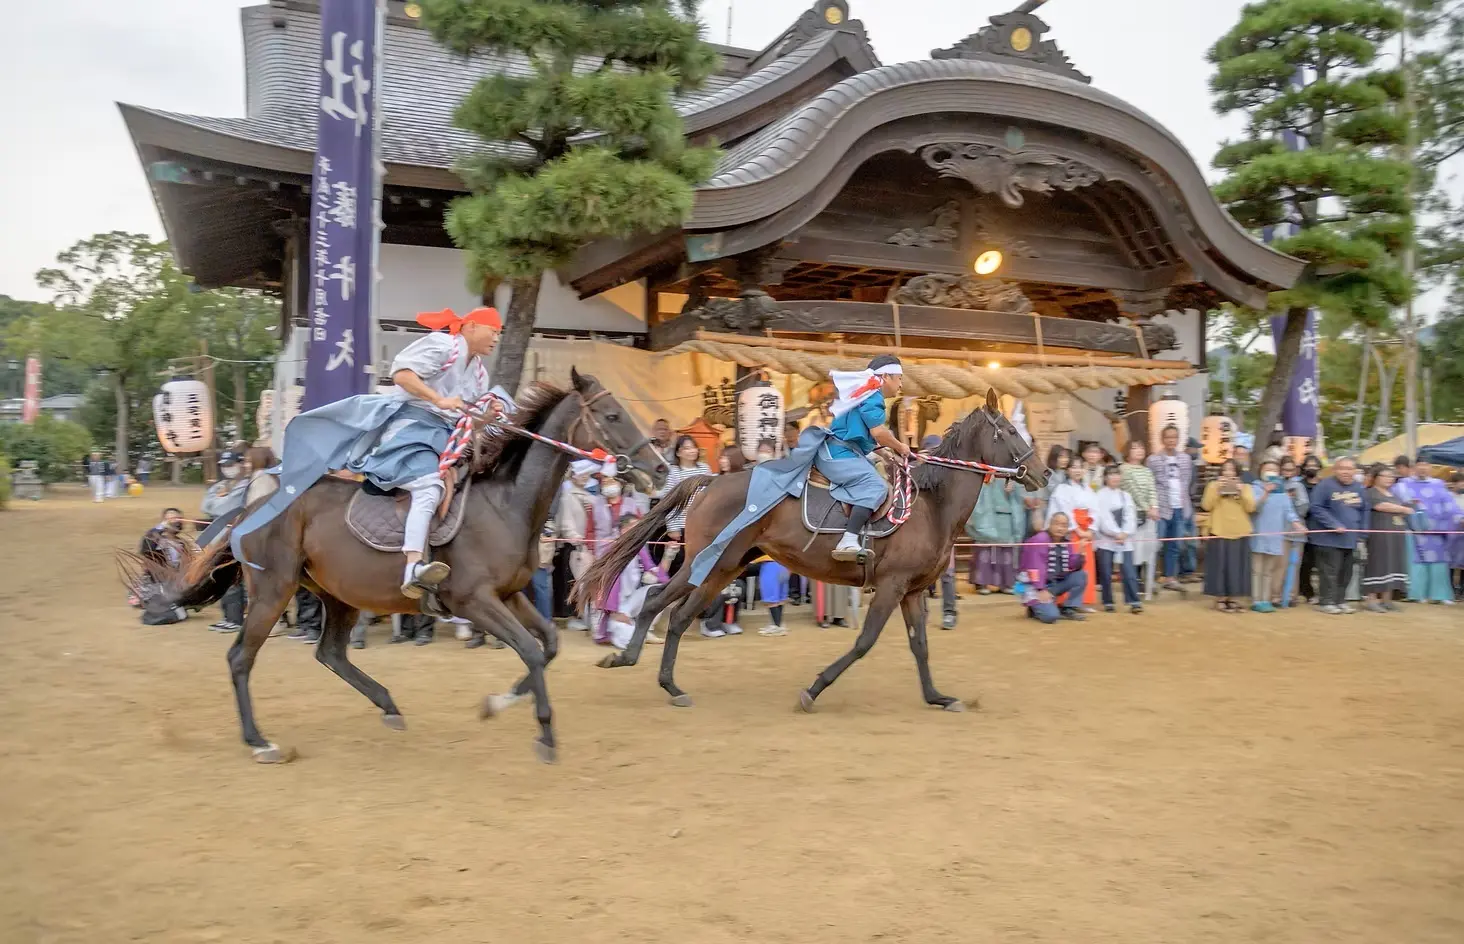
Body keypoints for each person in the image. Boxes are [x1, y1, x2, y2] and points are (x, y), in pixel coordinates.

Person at [229, 306, 507, 600]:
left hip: (446, 439)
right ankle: (413, 566)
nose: (496, 339)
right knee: (428, 487)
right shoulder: (443, 345)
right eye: (494, 331)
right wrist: (438, 399)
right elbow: (402, 375)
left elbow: (464, 415)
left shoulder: (479, 373)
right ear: (472, 326)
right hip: (411, 428)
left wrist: (486, 418)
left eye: (499, 334)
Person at [686, 355, 908, 584]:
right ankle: (849, 539)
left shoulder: (865, 392)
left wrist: (882, 451)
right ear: (886, 376)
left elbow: (861, 434)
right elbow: (878, 432)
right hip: (838, 454)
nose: (901, 384)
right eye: (899, 378)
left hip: (842, 451)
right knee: (876, 486)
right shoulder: (874, 396)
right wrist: (902, 447)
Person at [1395, 459, 1462, 605]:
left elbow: (1449, 504)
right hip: (1414, 530)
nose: (1423, 468)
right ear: (1414, 467)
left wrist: (1459, 517)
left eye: (1426, 465)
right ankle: (1416, 594)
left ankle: (1441, 595)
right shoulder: (1403, 485)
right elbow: (1401, 503)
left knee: (1439, 562)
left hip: (1437, 530)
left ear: (1430, 468)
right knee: (1416, 562)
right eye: (1420, 465)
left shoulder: (1438, 484)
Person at [1307, 457, 1368, 615]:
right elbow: (1316, 507)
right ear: (1335, 470)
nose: (1346, 472)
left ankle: (1340, 600)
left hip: (1350, 539)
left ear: (1355, 471)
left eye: (1350, 469)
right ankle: (1326, 601)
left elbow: (1365, 511)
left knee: (1346, 572)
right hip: (1328, 539)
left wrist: (1363, 533)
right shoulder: (1325, 485)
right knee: (1329, 571)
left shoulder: (1359, 488)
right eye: (1342, 468)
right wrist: (1333, 524)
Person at [1201, 458, 1256, 613]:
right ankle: (1220, 598)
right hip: (1219, 529)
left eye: (1231, 470)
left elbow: (1251, 507)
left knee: (1237, 566)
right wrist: (1218, 491)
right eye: (1225, 469)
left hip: (1240, 530)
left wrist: (1239, 491)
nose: (1228, 473)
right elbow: (1206, 505)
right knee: (1220, 566)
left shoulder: (1245, 487)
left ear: (1237, 472)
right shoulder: (1213, 486)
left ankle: (1234, 598)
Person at [1249, 460, 1303, 612]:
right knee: (1256, 569)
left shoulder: (1282, 493)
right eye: (1267, 469)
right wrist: (1265, 493)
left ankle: (1266, 600)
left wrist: (1297, 523)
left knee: (1268, 570)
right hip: (1258, 533)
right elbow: (1254, 508)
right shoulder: (1255, 488)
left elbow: (1289, 512)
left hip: (1275, 535)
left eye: (1274, 469)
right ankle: (1256, 599)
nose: (1271, 472)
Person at [1045, 458, 1098, 610]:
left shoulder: (1088, 489)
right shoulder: (1062, 488)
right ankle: (1065, 601)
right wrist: (1078, 530)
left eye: (1080, 467)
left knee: (1086, 565)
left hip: (1086, 531)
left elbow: (1096, 510)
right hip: (1069, 532)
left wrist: (1091, 530)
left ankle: (1083, 601)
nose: (1077, 470)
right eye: (1074, 467)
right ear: (1068, 470)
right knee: (1069, 564)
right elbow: (1065, 511)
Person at [1147, 425, 1195, 592]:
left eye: (1174, 437)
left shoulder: (1185, 459)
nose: (1171, 440)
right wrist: (1152, 505)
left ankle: (1170, 576)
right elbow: (1150, 483)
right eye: (1167, 437)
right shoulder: (1153, 459)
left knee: (1175, 544)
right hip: (1160, 507)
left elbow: (1187, 482)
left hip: (1180, 506)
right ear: (1162, 439)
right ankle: (1150, 577)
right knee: (1156, 544)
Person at [1018, 512, 1087, 623]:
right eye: (1057, 524)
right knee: (1051, 617)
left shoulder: (1065, 542)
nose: (1060, 528)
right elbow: (1035, 566)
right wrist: (1040, 589)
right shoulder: (1040, 539)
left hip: (1054, 584)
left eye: (1064, 525)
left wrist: (1080, 554)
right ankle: (1034, 608)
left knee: (1081, 575)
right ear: (1050, 524)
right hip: (1035, 585)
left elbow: (1072, 565)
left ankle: (1067, 608)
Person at [656, 435, 711, 574]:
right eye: (687, 448)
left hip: (701, 523)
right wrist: (672, 527)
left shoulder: (705, 469)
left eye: (693, 447)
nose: (692, 451)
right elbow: (668, 502)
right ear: (678, 452)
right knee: (681, 562)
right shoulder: (673, 472)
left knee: (700, 560)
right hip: (681, 524)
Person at [1362, 465, 1412, 611]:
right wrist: (1404, 509)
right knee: (1378, 564)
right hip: (1379, 534)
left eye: (1391, 476)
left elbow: (1400, 509)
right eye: (1385, 476)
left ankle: (1387, 599)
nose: (1389, 479)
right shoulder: (1371, 492)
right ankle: (1372, 600)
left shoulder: (1394, 494)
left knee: (1393, 564)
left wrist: (1403, 510)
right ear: (1376, 477)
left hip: (1396, 534)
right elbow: (1381, 506)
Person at [1093, 465, 1141, 613]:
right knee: (1106, 571)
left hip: (1125, 539)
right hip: (1106, 538)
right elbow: (1102, 517)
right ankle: (1108, 601)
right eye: (1111, 475)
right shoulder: (1099, 495)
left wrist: (1125, 532)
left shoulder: (1125, 495)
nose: (1114, 478)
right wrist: (1114, 533)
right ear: (1105, 478)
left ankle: (1134, 601)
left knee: (1128, 570)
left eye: (1117, 474)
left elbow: (1130, 515)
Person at [557, 459, 599, 630]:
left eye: (586, 473)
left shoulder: (592, 497)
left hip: (594, 546)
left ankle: (591, 618)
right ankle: (581, 617)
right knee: (579, 583)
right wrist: (574, 537)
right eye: (580, 473)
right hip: (577, 547)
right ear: (573, 476)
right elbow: (566, 522)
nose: (584, 477)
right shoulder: (567, 496)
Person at [965, 477, 1025, 594]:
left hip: (1006, 515)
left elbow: (1018, 498)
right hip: (986, 514)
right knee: (984, 550)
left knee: (1006, 551)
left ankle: (1006, 583)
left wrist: (1011, 492)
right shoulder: (987, 472)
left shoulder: (1011, 475)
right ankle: (982, 583)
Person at [1119, 440, 1159, 597]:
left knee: (1145, 549)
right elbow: (1131, 490)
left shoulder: (1147, 471)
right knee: (1131, 549)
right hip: (1131, 514)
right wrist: (1147, 508)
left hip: (1148, 515)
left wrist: (1154, 507)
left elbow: (1152, 490)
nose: (1139, 450)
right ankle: (1130, 581)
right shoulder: (1123, 468)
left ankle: (1142, 581)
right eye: (1135, 448)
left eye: (1141, 447)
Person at [1296, 453, 1324, 602]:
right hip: (1303, 527)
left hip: (1321, 528)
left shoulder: (1324, 485)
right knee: (1305, 562)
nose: (1311, 468)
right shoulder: (1299, 485)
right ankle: (1307, 591)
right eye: (1308, 465)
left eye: (1314, 465)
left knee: (1320, 562)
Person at [1029, 445, 1071, 535]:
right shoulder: (1047, 472)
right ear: (1054, 457)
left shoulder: (1066, 474)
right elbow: (1052, 491)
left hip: (1062, 511)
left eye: (1066, 457)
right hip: (1047, 509)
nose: (1065, 460)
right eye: (1061, 457)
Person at [757, 558, 791, 636]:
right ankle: (779, 624)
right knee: (780, 598)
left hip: (770, 565)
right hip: (784, 564)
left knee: (771, 598)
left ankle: (776, 626)